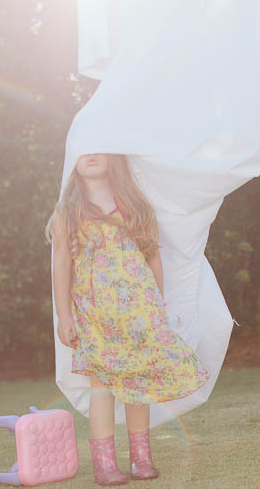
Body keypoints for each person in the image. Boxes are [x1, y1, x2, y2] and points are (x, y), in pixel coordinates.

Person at [46, 153, 209, 486]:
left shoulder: (134, 204)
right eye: (83, 149)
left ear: (115, 156)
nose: (90, 154)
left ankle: (141, 457)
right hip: (94, 314)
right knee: (101, 387)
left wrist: (157, 310)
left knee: (140, 383)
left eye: (99, 147)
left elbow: (153, 257)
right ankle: (105, 463)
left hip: (138, 314)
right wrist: (65, 316)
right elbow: (61, 263)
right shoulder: (69, 211)